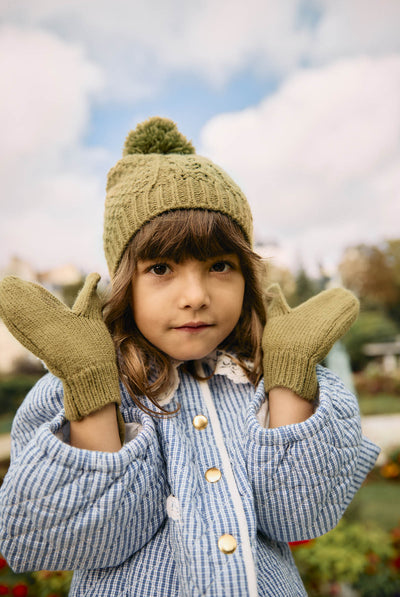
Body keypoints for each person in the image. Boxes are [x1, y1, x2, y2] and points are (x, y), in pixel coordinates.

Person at [0, 117, 379, 596]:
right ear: (125, 285)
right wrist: (91, 391)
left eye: (220, 265)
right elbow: (81, 540)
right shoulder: (71, 386)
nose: (195, 295)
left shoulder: (263, 377)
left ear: (248, 276)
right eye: (161, 268)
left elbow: (298, 514)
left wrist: (289, 378)